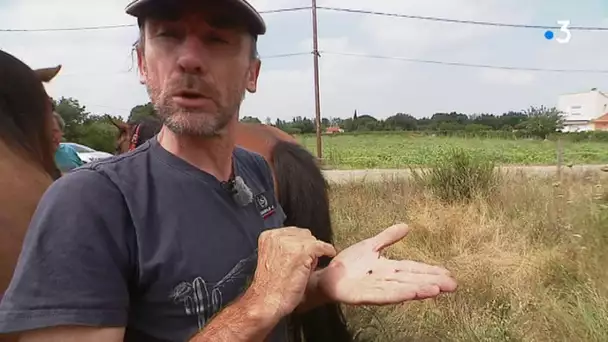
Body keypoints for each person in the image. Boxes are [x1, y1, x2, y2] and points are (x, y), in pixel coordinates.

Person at [0, 1, 457, 341]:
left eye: (217, 40)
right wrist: (259, 305)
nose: (190, 59)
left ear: (252, 74)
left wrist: (322, 284)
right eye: (168, 36)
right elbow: (260, 303)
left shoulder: (256, 171)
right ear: (143, 63)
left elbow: (264, 298)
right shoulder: (89, 202)